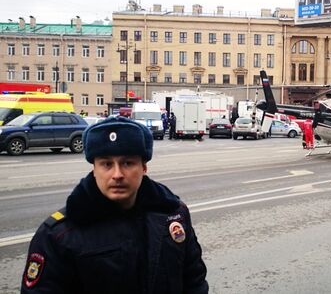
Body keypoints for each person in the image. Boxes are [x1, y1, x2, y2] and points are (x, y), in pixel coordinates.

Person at [21, 117, 209, 294]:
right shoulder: (58, 234)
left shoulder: (173, 214)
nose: (117, 174)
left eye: (127, 163)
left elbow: (195, 281)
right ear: (94, 169)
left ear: (144, 167)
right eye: (106, 164)